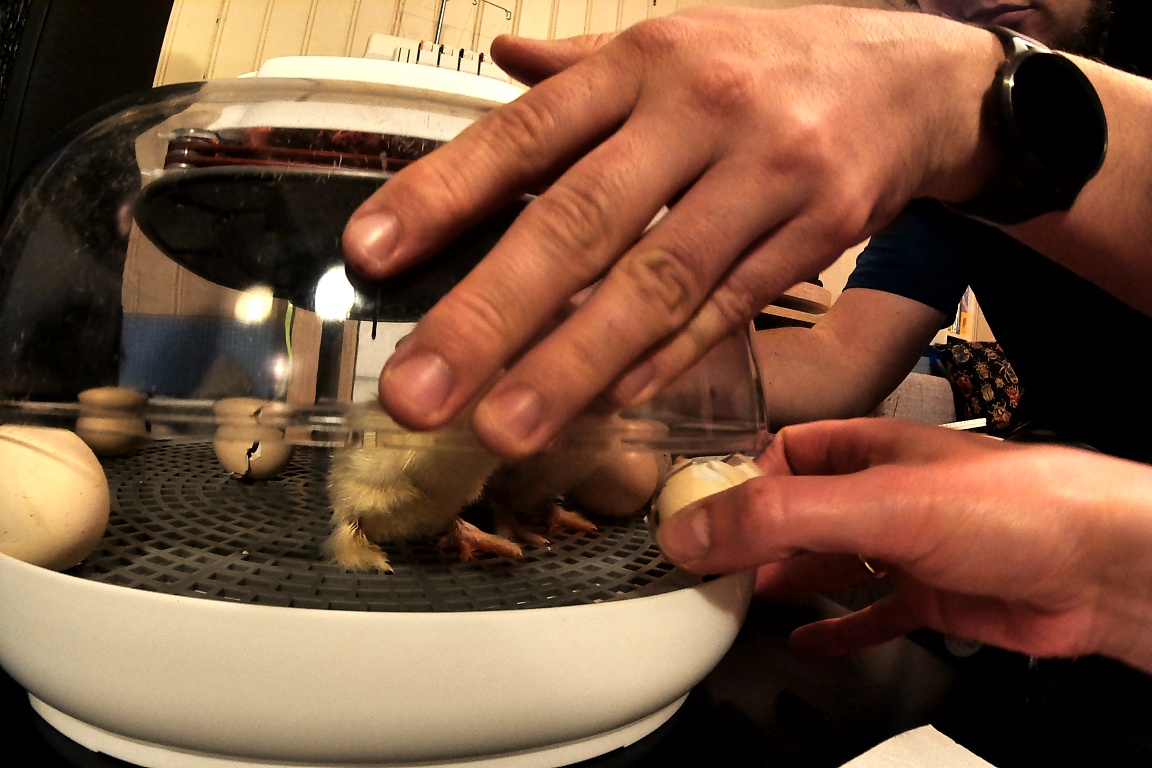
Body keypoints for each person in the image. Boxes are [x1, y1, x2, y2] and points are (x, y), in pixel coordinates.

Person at [341, 3, 1152, 670]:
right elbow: (842, 356)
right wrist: (592, 356)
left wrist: (971, 93)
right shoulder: (949, 196)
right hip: (1060, 593)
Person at [758, 0, 1152, 464]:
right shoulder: (955, 155)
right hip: (1070, 463)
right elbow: (840, 357)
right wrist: (681, 363)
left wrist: (957, 81)